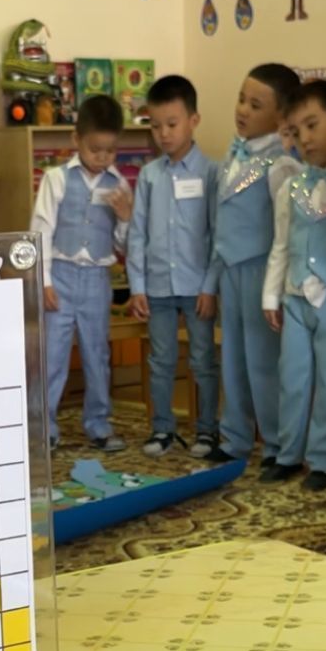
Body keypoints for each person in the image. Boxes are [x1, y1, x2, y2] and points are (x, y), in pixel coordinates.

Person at [262, 80, 326, 489]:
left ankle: (324, 460)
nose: (304, 138)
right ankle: (288, 454)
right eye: (295, 131)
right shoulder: (292, 186)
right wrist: (271, 295)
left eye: (312, 125)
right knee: (293, 376)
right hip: (295, 295)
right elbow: (281, 244)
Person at [212, 63, 301, 467]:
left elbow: (288, 227)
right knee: (232, 355)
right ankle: (235, 436)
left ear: (282, 117)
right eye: (241, 99)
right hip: (230, 267)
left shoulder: (280, 163)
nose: (242, 110)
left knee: (263, 360)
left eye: (255, 105)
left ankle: (278, 442)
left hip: (261, 270)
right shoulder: (233, 154)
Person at [126, 74, 220, 458]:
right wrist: (137, 286)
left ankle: (207, 431)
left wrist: (210, 286)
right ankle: (162, 428)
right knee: (161, 361)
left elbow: (217, 235)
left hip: (197, 287)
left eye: (172, 124)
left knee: (203, 361)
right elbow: (137, 234)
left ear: (193, 121)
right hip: (158, 287)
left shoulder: (211, 173)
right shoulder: (149, 176)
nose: (163, 134)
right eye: (155, 126)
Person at [31, 94, 132, 451]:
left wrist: (125, 218)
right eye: (94, 149)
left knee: (97, 354)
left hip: (97, 280)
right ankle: (44, 426)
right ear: (76, 139)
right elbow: (40, 231)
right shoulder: (56, 179)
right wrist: (43, 281)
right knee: (53, 355)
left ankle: (98, 423)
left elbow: (123, 244)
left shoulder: (119, 185)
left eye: (110, 150)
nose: (102, 157)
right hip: (60, 275)